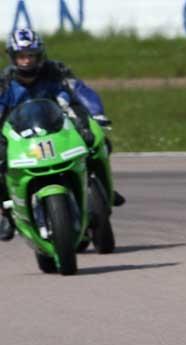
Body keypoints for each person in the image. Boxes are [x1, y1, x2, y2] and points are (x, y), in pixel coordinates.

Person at [0, 28, 123, 241]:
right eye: (21, 56)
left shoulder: (56, 71)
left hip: (59, 127)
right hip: (20, 137)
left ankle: (105, 191)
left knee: (97, 142)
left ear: (40, 54)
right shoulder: (4, 81)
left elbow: (80, 92)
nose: (27, 61)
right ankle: (6, 212)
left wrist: (97, 114)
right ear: (12, 57)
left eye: (31, 55)